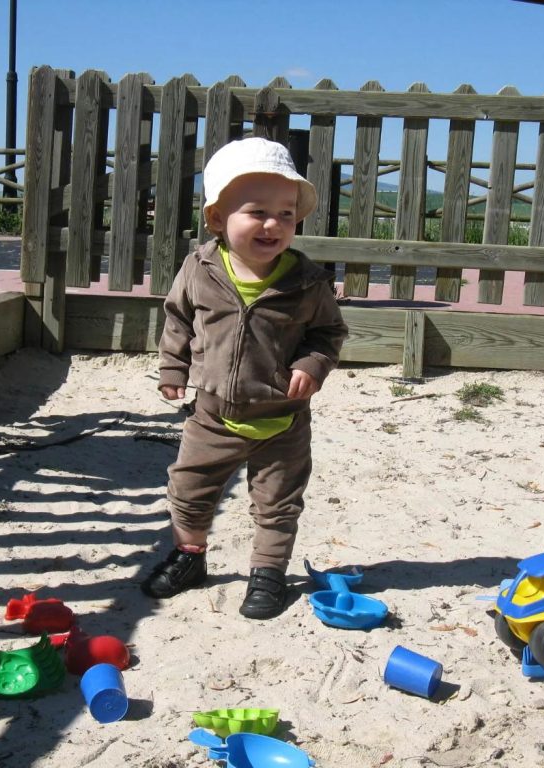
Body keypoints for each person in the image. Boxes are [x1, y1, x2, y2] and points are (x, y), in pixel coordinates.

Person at [140, 137, 348, 620]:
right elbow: (178, 319)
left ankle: (268, 573)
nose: (273, 224)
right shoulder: (200, 270)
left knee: (277, 504)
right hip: (211, 416)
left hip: (282, 423)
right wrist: (172, 366)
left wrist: (311, 365)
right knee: (189, 493)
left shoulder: (307, 282)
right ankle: (189, 558)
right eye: (256, 212)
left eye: (286, 214)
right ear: (217, 219)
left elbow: (328, 331)